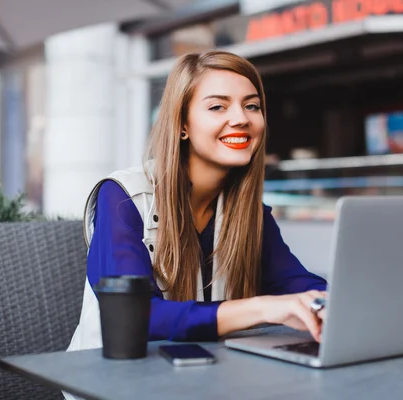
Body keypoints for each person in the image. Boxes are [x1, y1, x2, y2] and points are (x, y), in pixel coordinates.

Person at [67, 51, 327, 355]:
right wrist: (261, 308)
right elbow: (135, 316)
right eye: (218, 106)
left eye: (252, 106)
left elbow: (297, 284)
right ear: (182, 126)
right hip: (115, 382)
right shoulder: (123, 196)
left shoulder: (249, 212)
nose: (241, 118)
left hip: (207, 379)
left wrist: (330, 303)